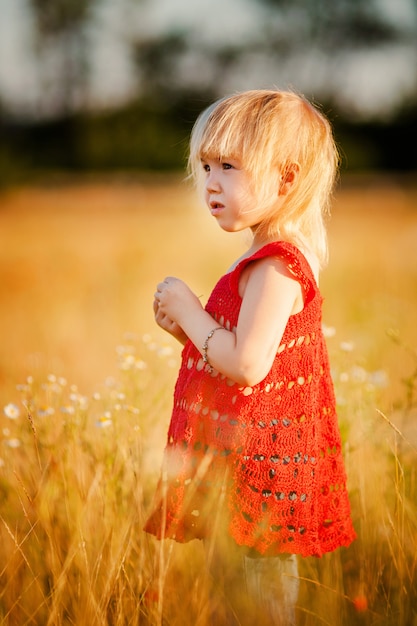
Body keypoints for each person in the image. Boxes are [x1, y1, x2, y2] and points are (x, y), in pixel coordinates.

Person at [144, 89, 356, 625]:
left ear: (286, 178)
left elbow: (247, 366)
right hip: (251, 473)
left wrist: (192, 313)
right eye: (207, 166)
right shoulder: (273, 257)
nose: (211, 183)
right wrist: (187, 334)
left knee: (256, 608)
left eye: (230, 166)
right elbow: (249, 362)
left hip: (262, 480)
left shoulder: (276, 265)